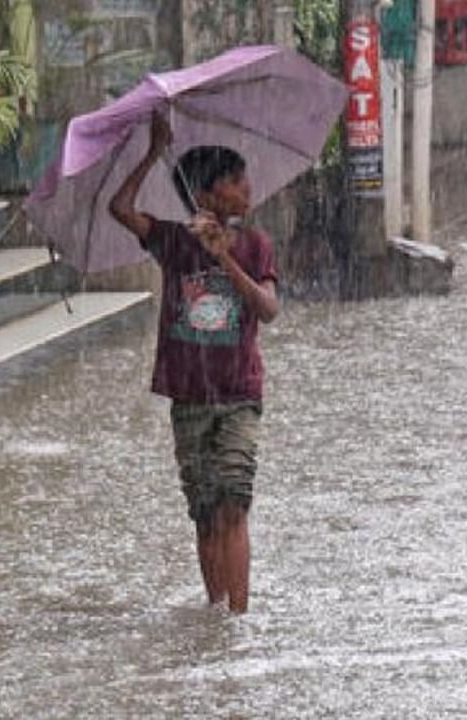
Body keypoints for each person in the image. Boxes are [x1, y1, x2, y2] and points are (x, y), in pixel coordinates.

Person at [109, 114, 280, 614]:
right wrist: (152, 150)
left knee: (234, 502)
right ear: (205, 196)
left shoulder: (254, 245)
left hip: (238, 395)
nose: (246, 188)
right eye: (233, 181)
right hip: (190, 396)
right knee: (205, 513)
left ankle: (239, 620)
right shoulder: (172, 241)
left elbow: (268, 310)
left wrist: (224, 257)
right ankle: (216, 613)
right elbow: (120, 207)